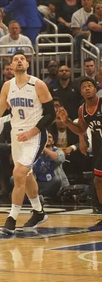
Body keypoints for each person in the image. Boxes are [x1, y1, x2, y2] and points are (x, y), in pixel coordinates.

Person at [0, 51, 55, 235]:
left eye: (22, 59)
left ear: (27, 64)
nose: (19, 61)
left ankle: (11, 218)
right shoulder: (7, 86)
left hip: (35, 135)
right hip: (16, 135)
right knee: (26, 175)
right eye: (15, 60)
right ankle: (38, 211)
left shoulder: (38, 84)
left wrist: (32, 132)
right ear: (10, 67)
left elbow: (51, 113)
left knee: (18, 173)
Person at [58, 77, 102, 231]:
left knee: (98, 180)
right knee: (98, 181)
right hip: (99, 147)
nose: (87, 89)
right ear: (81, 92)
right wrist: (68, 122)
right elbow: (81, 130)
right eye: (84, 87)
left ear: (96, 89)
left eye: (90, 86)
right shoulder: (82, 109)